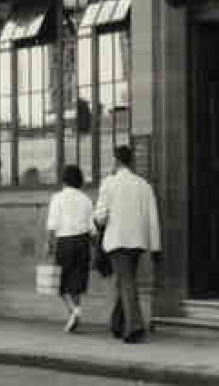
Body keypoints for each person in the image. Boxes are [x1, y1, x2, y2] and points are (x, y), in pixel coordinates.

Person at [93, 144, 161, 344]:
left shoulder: (109, 183)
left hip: (118, 241)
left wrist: (97, 222)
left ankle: (134, 327)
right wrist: (156, 247)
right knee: (125, 280)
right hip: (138, 242)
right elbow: (152, 219)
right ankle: (117, 323)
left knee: (126, 281)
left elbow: (101, 216)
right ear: (131, 161)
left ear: (117, 161)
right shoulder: (144, 185)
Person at [46, 163, 94, 332]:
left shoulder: (57, 198)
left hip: (65, 242)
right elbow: (92, 228)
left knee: (61, 284)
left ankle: (74, 311)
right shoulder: (86, 200)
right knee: (77, 284)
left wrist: (49, 245)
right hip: (83, 242)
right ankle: (74, 316)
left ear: (64, 180)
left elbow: (52, 224)